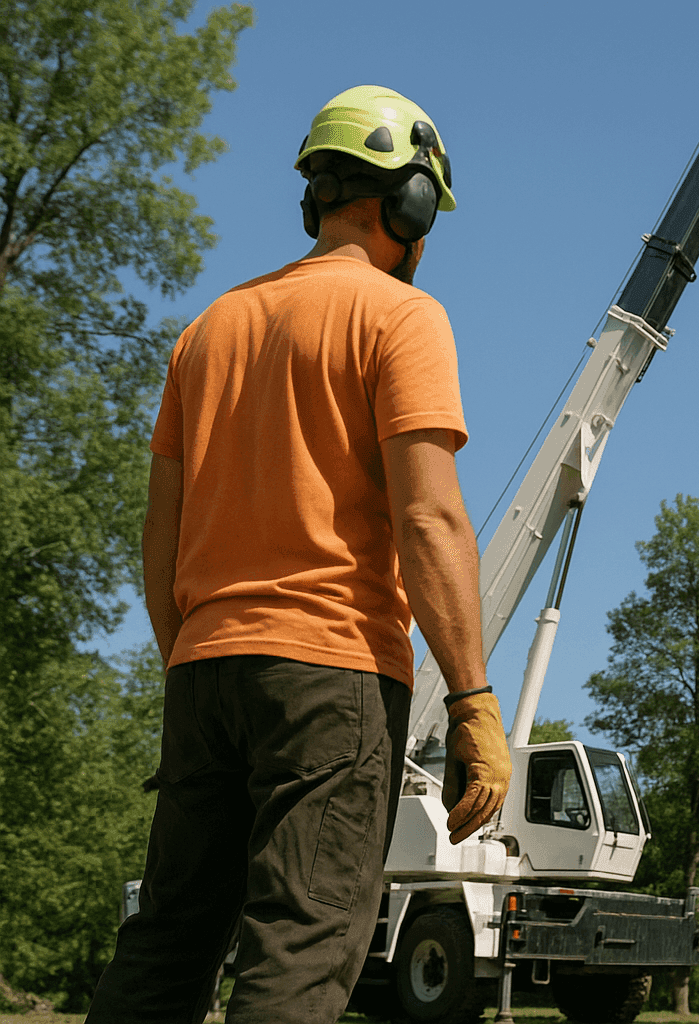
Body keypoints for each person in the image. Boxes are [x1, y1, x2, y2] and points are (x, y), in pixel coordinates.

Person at [87, 86, 512, 1024]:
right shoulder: (403, 319)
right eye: (426, 210)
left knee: (167, 940)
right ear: (407, 205)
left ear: (313, 195)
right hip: (332, 676)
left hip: (203, 671)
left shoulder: (209, 330)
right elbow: (430, 521)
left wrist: (190, 655)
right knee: (302, 944)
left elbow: (160, 533)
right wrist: (474, 697)